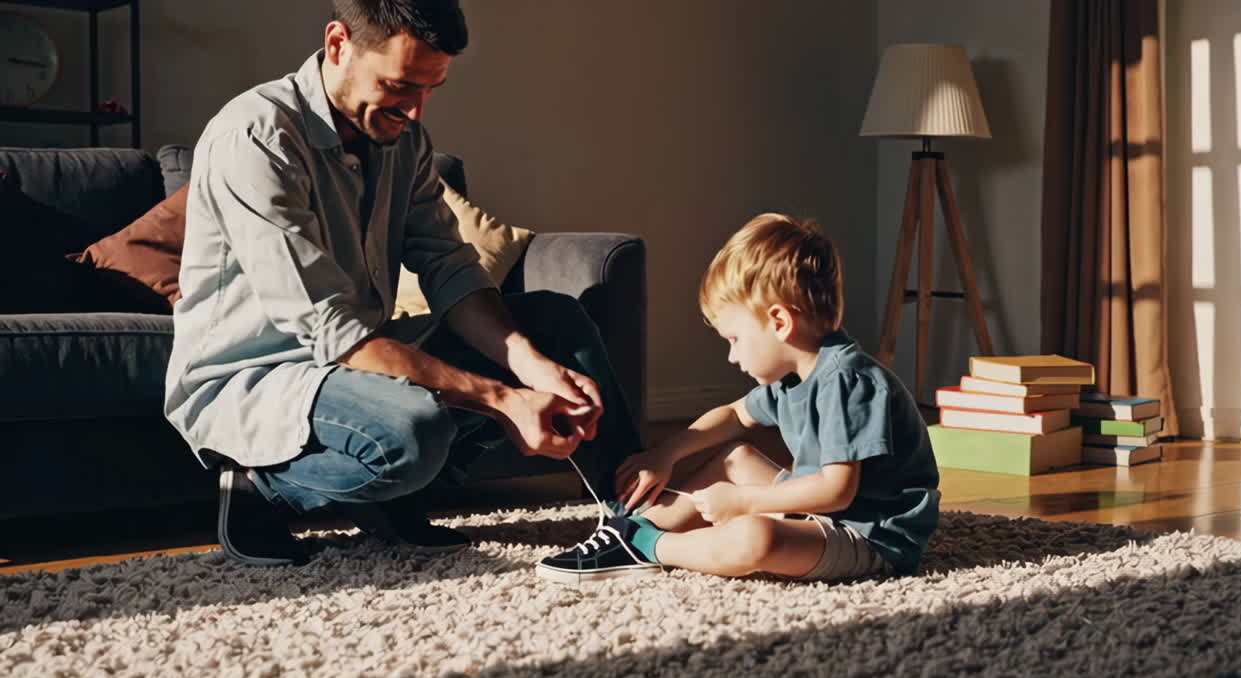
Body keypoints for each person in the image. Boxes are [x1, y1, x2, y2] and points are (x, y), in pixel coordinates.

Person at [165, 0, 642, 567]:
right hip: (259, 378)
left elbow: (449, 268)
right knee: (412, 432)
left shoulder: (402, 139)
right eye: (398, 86)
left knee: (553, 321)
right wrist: (505, 399)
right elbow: (335, 332)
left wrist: (529, 366)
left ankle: (637, 509)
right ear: (339, 43)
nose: (415, 112)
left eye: (430, 89)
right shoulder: (257, 137)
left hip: (360, 362)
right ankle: (257, 487)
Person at [537, 214, 940, 584]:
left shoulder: (847, 381)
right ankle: (633, 528)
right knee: (736, 457)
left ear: (779, 322)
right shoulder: (794, 377)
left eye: (734, 339)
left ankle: (650, 547)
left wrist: (745, 502)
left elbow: (837, 492)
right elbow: (733, 415)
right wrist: (667, 454)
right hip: (828, 512)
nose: (732, 355)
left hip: (870, 534)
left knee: (755, 536)